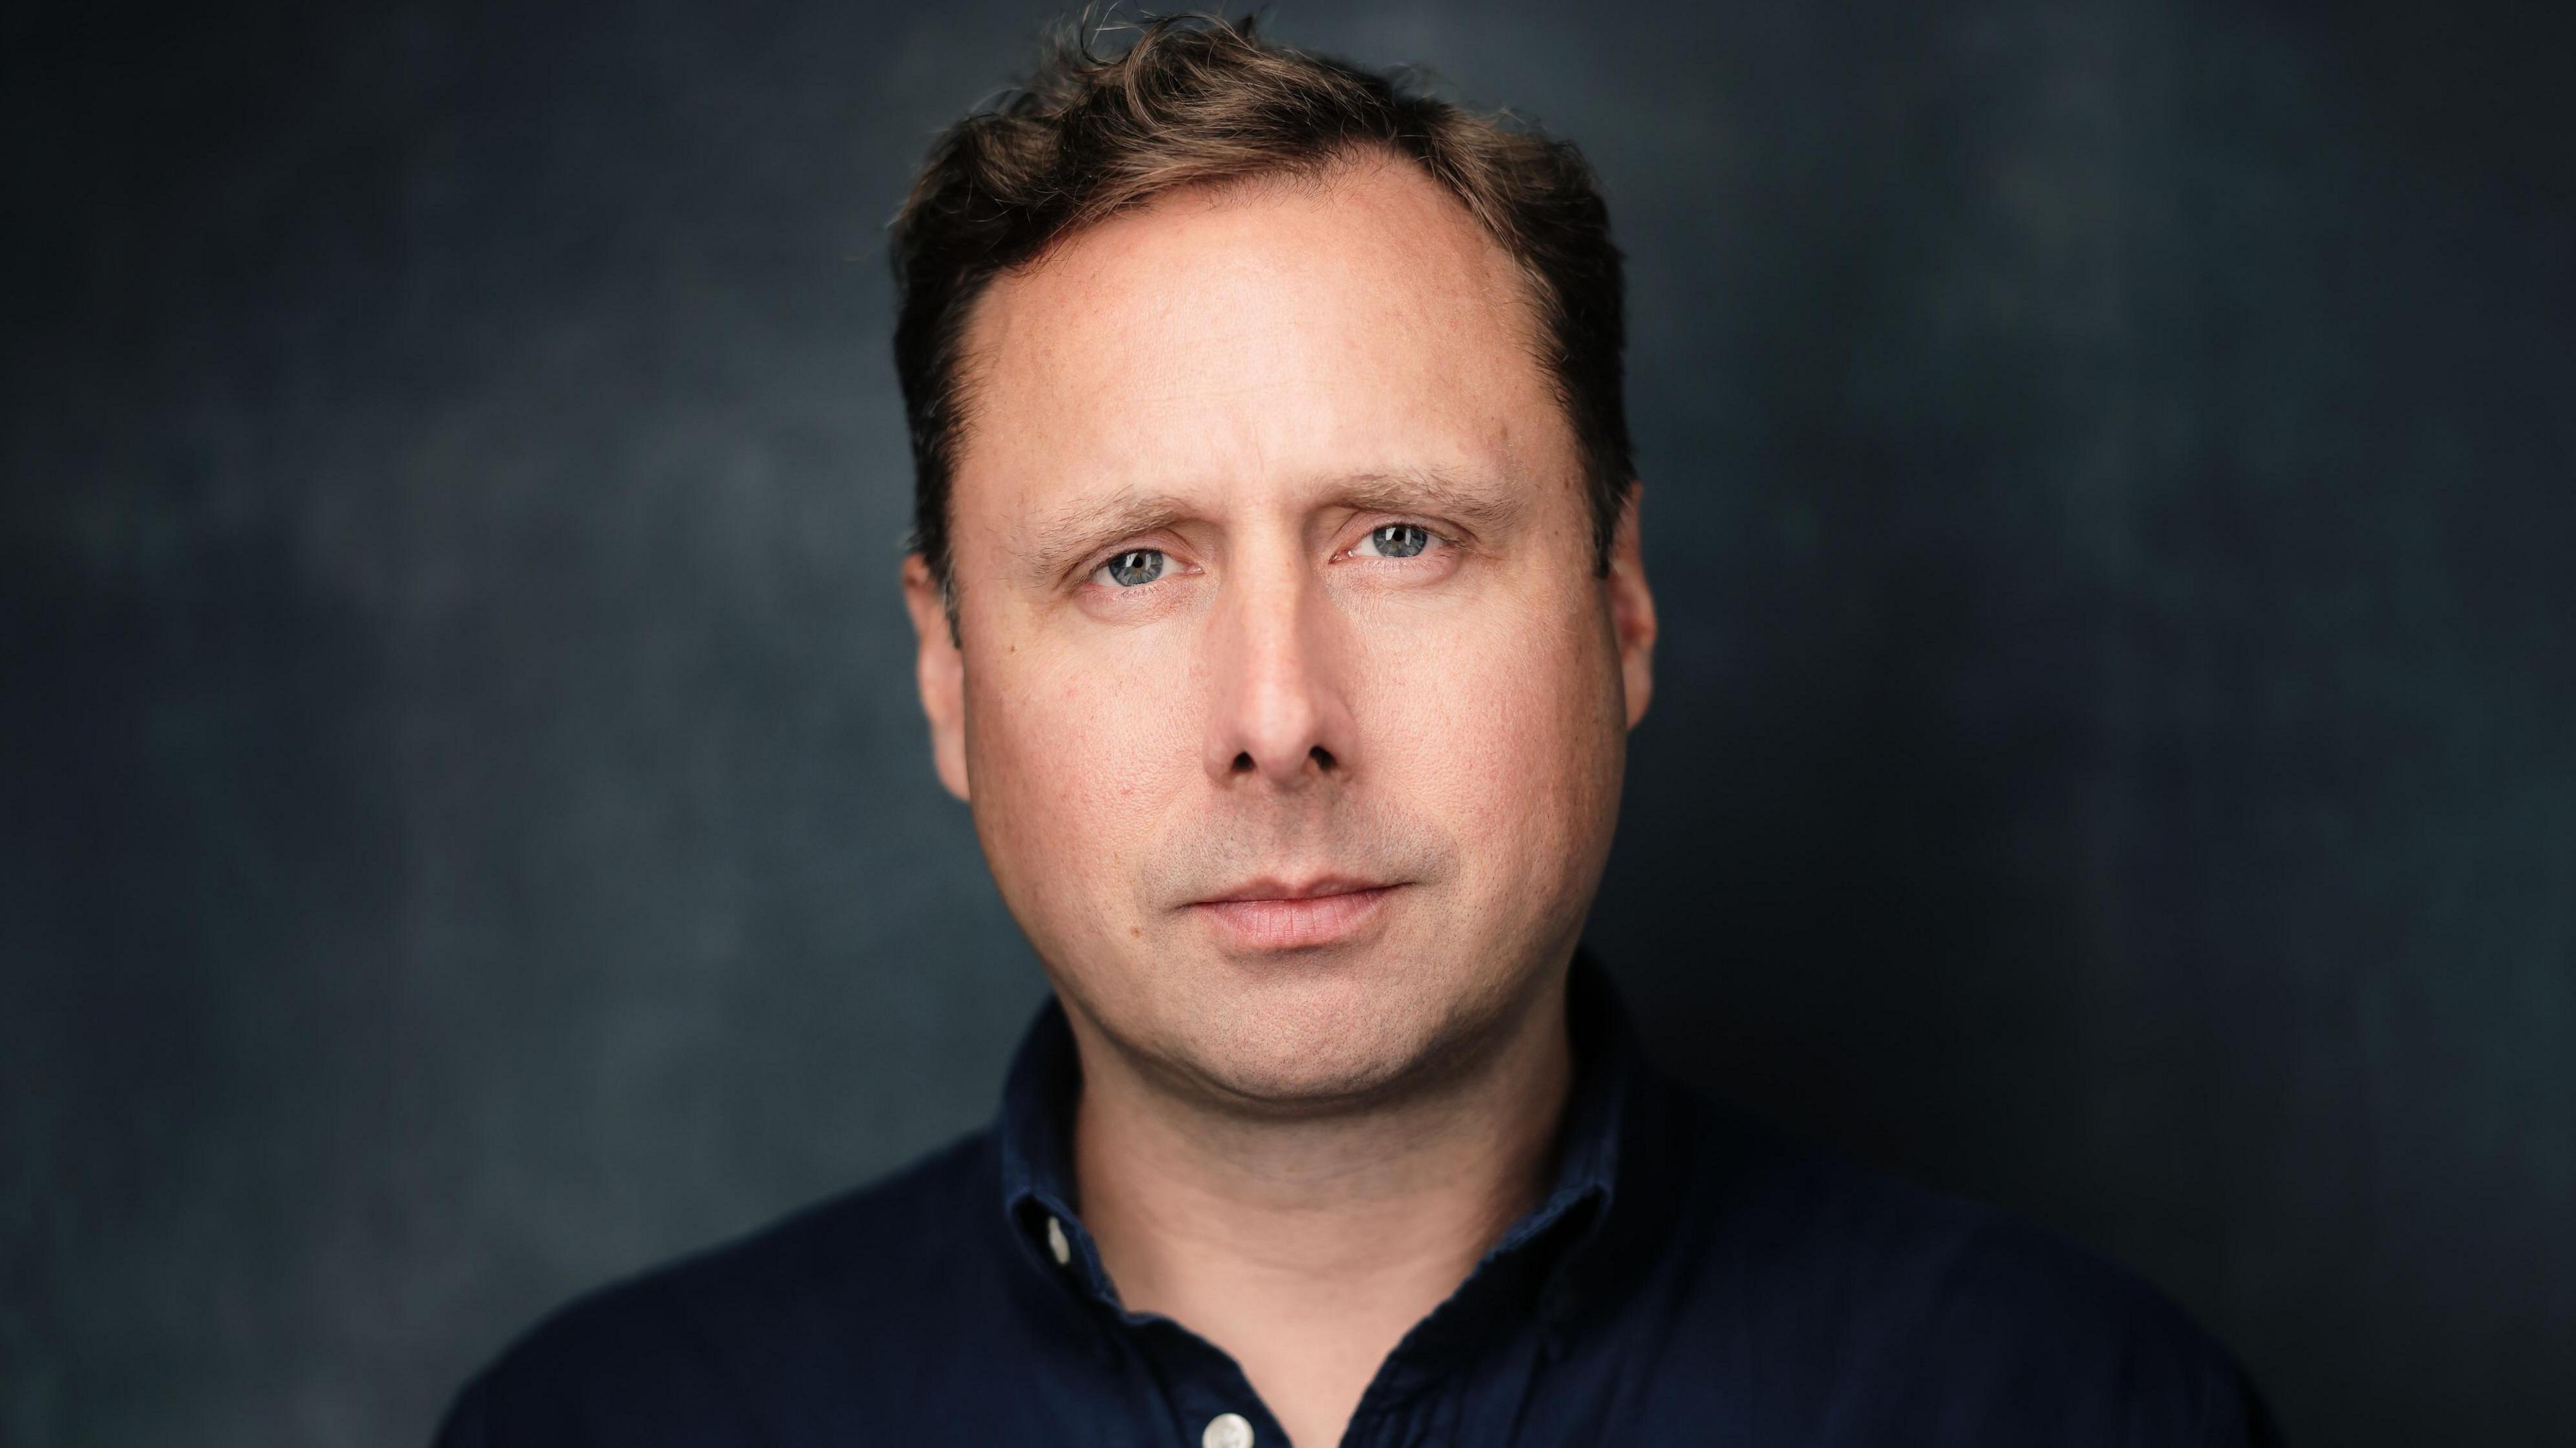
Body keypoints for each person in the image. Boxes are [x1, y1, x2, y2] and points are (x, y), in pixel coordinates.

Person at [434, 15, 2274, 1447]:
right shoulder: (604, 1430)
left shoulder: (2076, 1413)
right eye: (1134, 563)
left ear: (1621, 602)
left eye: (1402, 538)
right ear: (947, 675)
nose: (1280, 721)